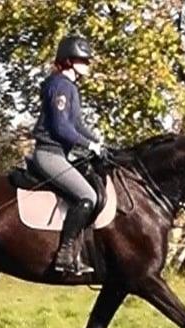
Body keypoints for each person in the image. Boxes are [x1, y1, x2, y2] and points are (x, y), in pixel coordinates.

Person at [30, 34, 106, 275]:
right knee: (87, 196)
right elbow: (61, 128)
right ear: (68, 62)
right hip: (49, 153)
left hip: (62, 154)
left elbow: (78, 125)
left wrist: (98, 141)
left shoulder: (70, 87)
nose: (87, 64)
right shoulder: (59, 86)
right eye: (81, 60)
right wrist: (87, 144)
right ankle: (64, 254)